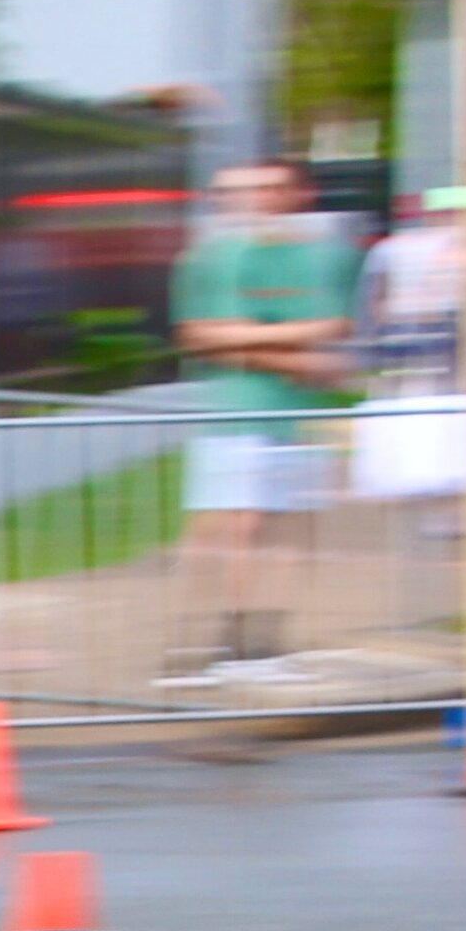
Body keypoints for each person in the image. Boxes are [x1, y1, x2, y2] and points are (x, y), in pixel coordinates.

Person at [163, 158, 361, 680]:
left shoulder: (326, 257)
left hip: (294, 416)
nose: (263, 199)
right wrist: (292, 354)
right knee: (229, 524)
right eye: (254, 190)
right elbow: (201, 333)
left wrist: (247, 337)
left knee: (286, 529)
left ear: (301, 194)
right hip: (237, 411)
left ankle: (262, 638)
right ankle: (209, 634)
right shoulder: (212, 258)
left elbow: (333, 325)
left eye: (276, 188)